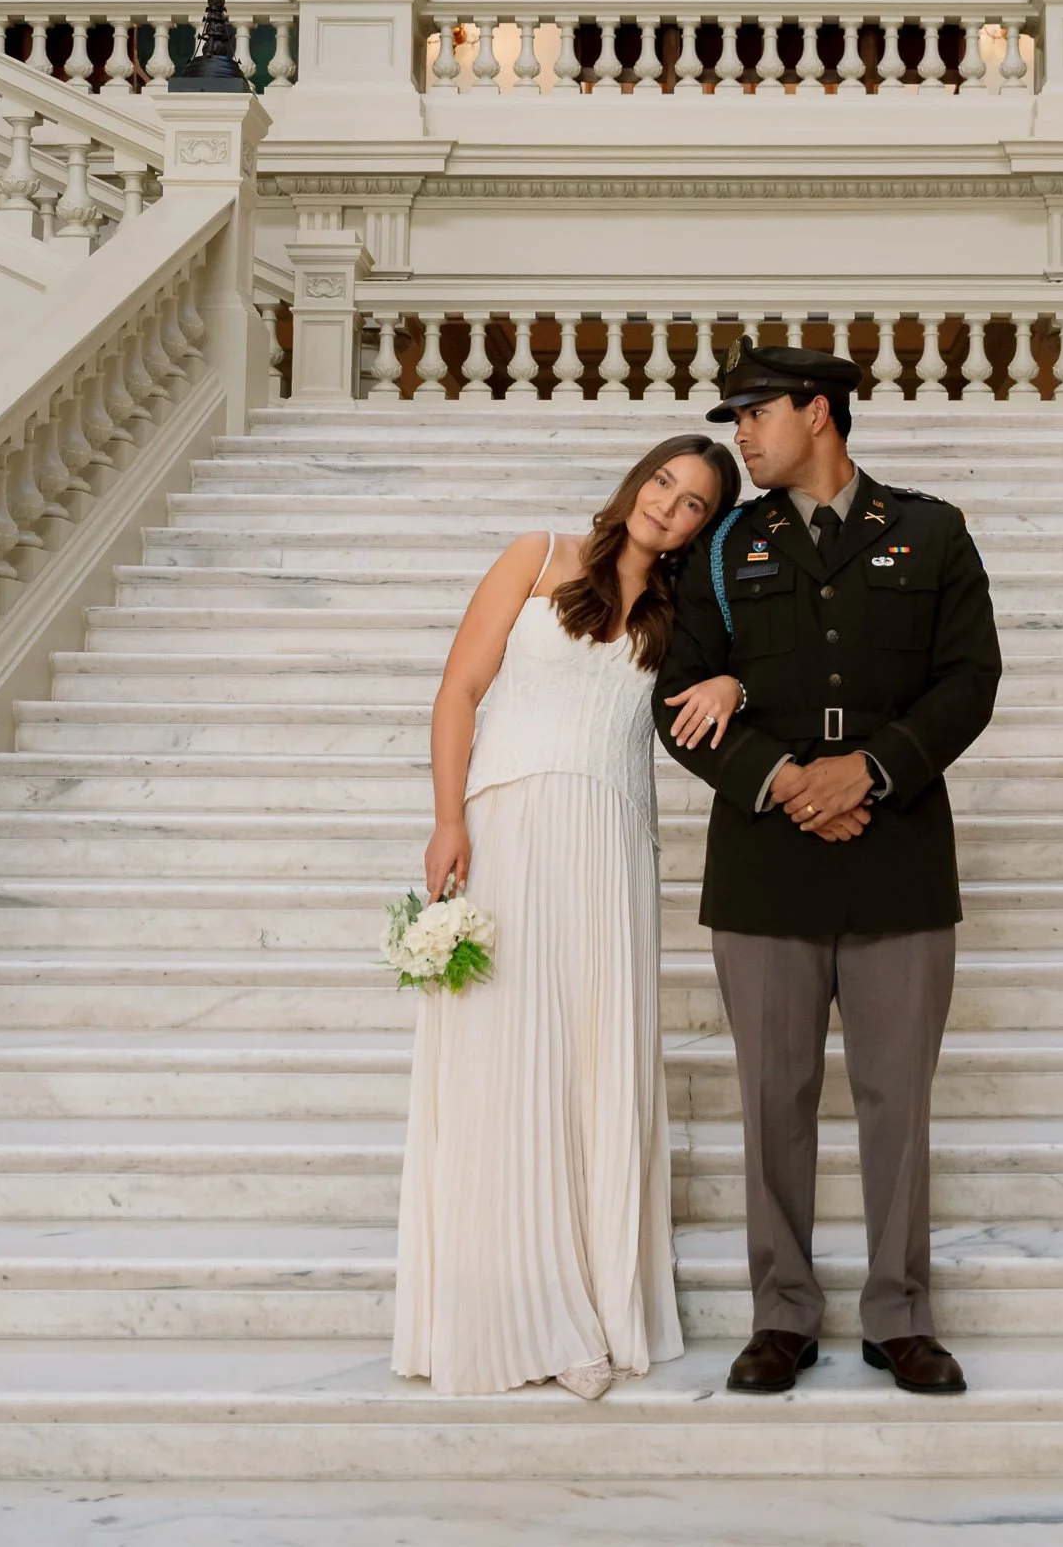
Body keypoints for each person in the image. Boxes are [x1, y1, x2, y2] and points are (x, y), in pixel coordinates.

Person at [654, 342, 1001, 1399]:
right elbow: (677, 697)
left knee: (897, 1096)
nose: (739, 436)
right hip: (765, 859)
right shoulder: (718, 547)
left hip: (896, 852)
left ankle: (899, 1314)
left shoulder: (930, 530)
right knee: (773, 1096)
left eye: (753, 414)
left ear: (817, 410)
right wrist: (789, 781)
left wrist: (869, 770)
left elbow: (968, 678)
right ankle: (781, 1314)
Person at [393, 433, 742, 1400]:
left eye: (694, 504)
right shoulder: (537, 556)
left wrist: (733, 679)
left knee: (593, 1061)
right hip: (511, 824)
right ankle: (518, 1309)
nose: (668, 505)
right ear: (639, 480)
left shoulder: (684, 616)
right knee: (509, 1057)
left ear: (702, 529)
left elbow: (745, 683)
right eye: (664, 482)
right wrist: (447, 819)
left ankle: (591, 1297)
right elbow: (459, 690)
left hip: (610, 845)